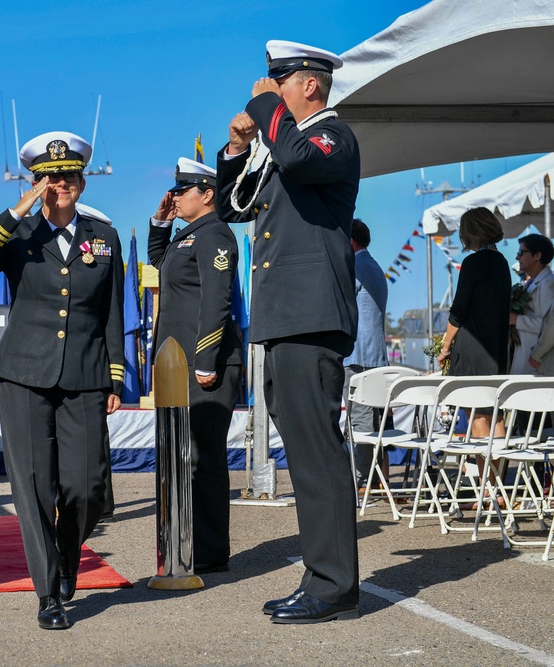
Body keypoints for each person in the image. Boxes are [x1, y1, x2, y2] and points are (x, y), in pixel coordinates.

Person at [214, 40, 361, 624]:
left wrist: (268, 111)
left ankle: (334, 586)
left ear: (310, 84)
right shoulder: (281, 144)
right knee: (303, 451)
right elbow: (231, 206)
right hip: (288, 317)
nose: (267, 87)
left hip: (312, 314)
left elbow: (300, 160)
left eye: (279, 79)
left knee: (318, 453)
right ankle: (321, 575)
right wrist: (237, 145)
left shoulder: (333, 136)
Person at [0, 131, 124, 630]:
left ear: (82, 182)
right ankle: (48, 592)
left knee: (89, 487)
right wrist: (17, 210)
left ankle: (67, 553)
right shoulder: (19, 234)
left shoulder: (104, 237)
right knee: (32, 486)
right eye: (51, 178)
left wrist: (115, 373)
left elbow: (112, 311)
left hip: (85, 374)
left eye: (70, 176)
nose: (62, 184)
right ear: (36, 183)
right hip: (24, 374)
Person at [148, 157, 243, 573]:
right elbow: (160, 263)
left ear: (206, 194)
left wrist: (205, 360)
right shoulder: (189, 235)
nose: (175, 197)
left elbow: (217, 300)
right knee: (182, 456)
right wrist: (159, 221)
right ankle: (188, 542)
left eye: (182, 190)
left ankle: (209, 551)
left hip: (206, 362)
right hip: (178, 364)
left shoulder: (216, 235)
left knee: (203, 456)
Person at [437, 208, 511, 437]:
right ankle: (495, 474)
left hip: (472, 348)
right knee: (495, 413)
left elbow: (458, 310)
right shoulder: (502, 263)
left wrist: (445, 347)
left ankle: (483, 474)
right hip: (496, 347)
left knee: (476, 413)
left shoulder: (472, 263)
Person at [342, 219, 389, 487]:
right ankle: (374, 476)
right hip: (375, 355)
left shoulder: (356, 267)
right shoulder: (374, 266)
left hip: (357, 354)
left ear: (350, 241)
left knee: (360, 420)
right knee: (373, 419)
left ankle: (360, 477)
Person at [509, 234, 554, 375]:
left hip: (537, 363)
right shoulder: (532, 283)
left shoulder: (548, 284)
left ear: (537, 256)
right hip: (526, 358)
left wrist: (517, 320)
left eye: (521, 253)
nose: (517, 258)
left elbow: (549, 326)